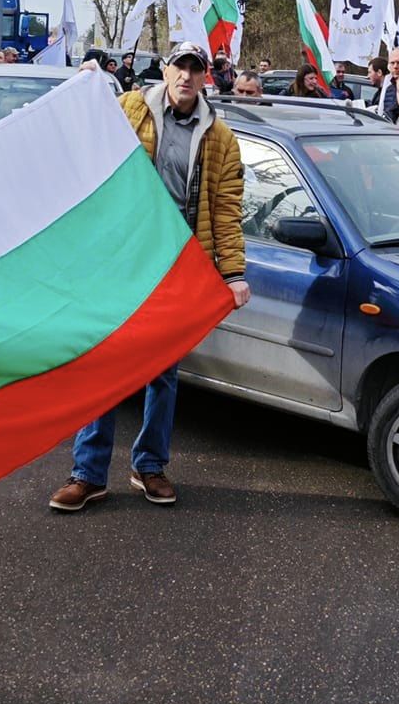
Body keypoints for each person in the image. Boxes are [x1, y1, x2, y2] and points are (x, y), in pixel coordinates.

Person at [50, 42, 249, 511]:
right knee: (105, 362)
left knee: (163, 372)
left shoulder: (219, 137)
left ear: (206, 78)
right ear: (166, 70)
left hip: (176, 265)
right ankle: (88, 473)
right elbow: (85, 143)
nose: (186, 76)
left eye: (195, 69)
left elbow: (225, 209)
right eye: (180, 66)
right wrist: (85, 89)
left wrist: (233, 272)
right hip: (120, 259)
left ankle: (150, 466)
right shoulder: (130, 108)